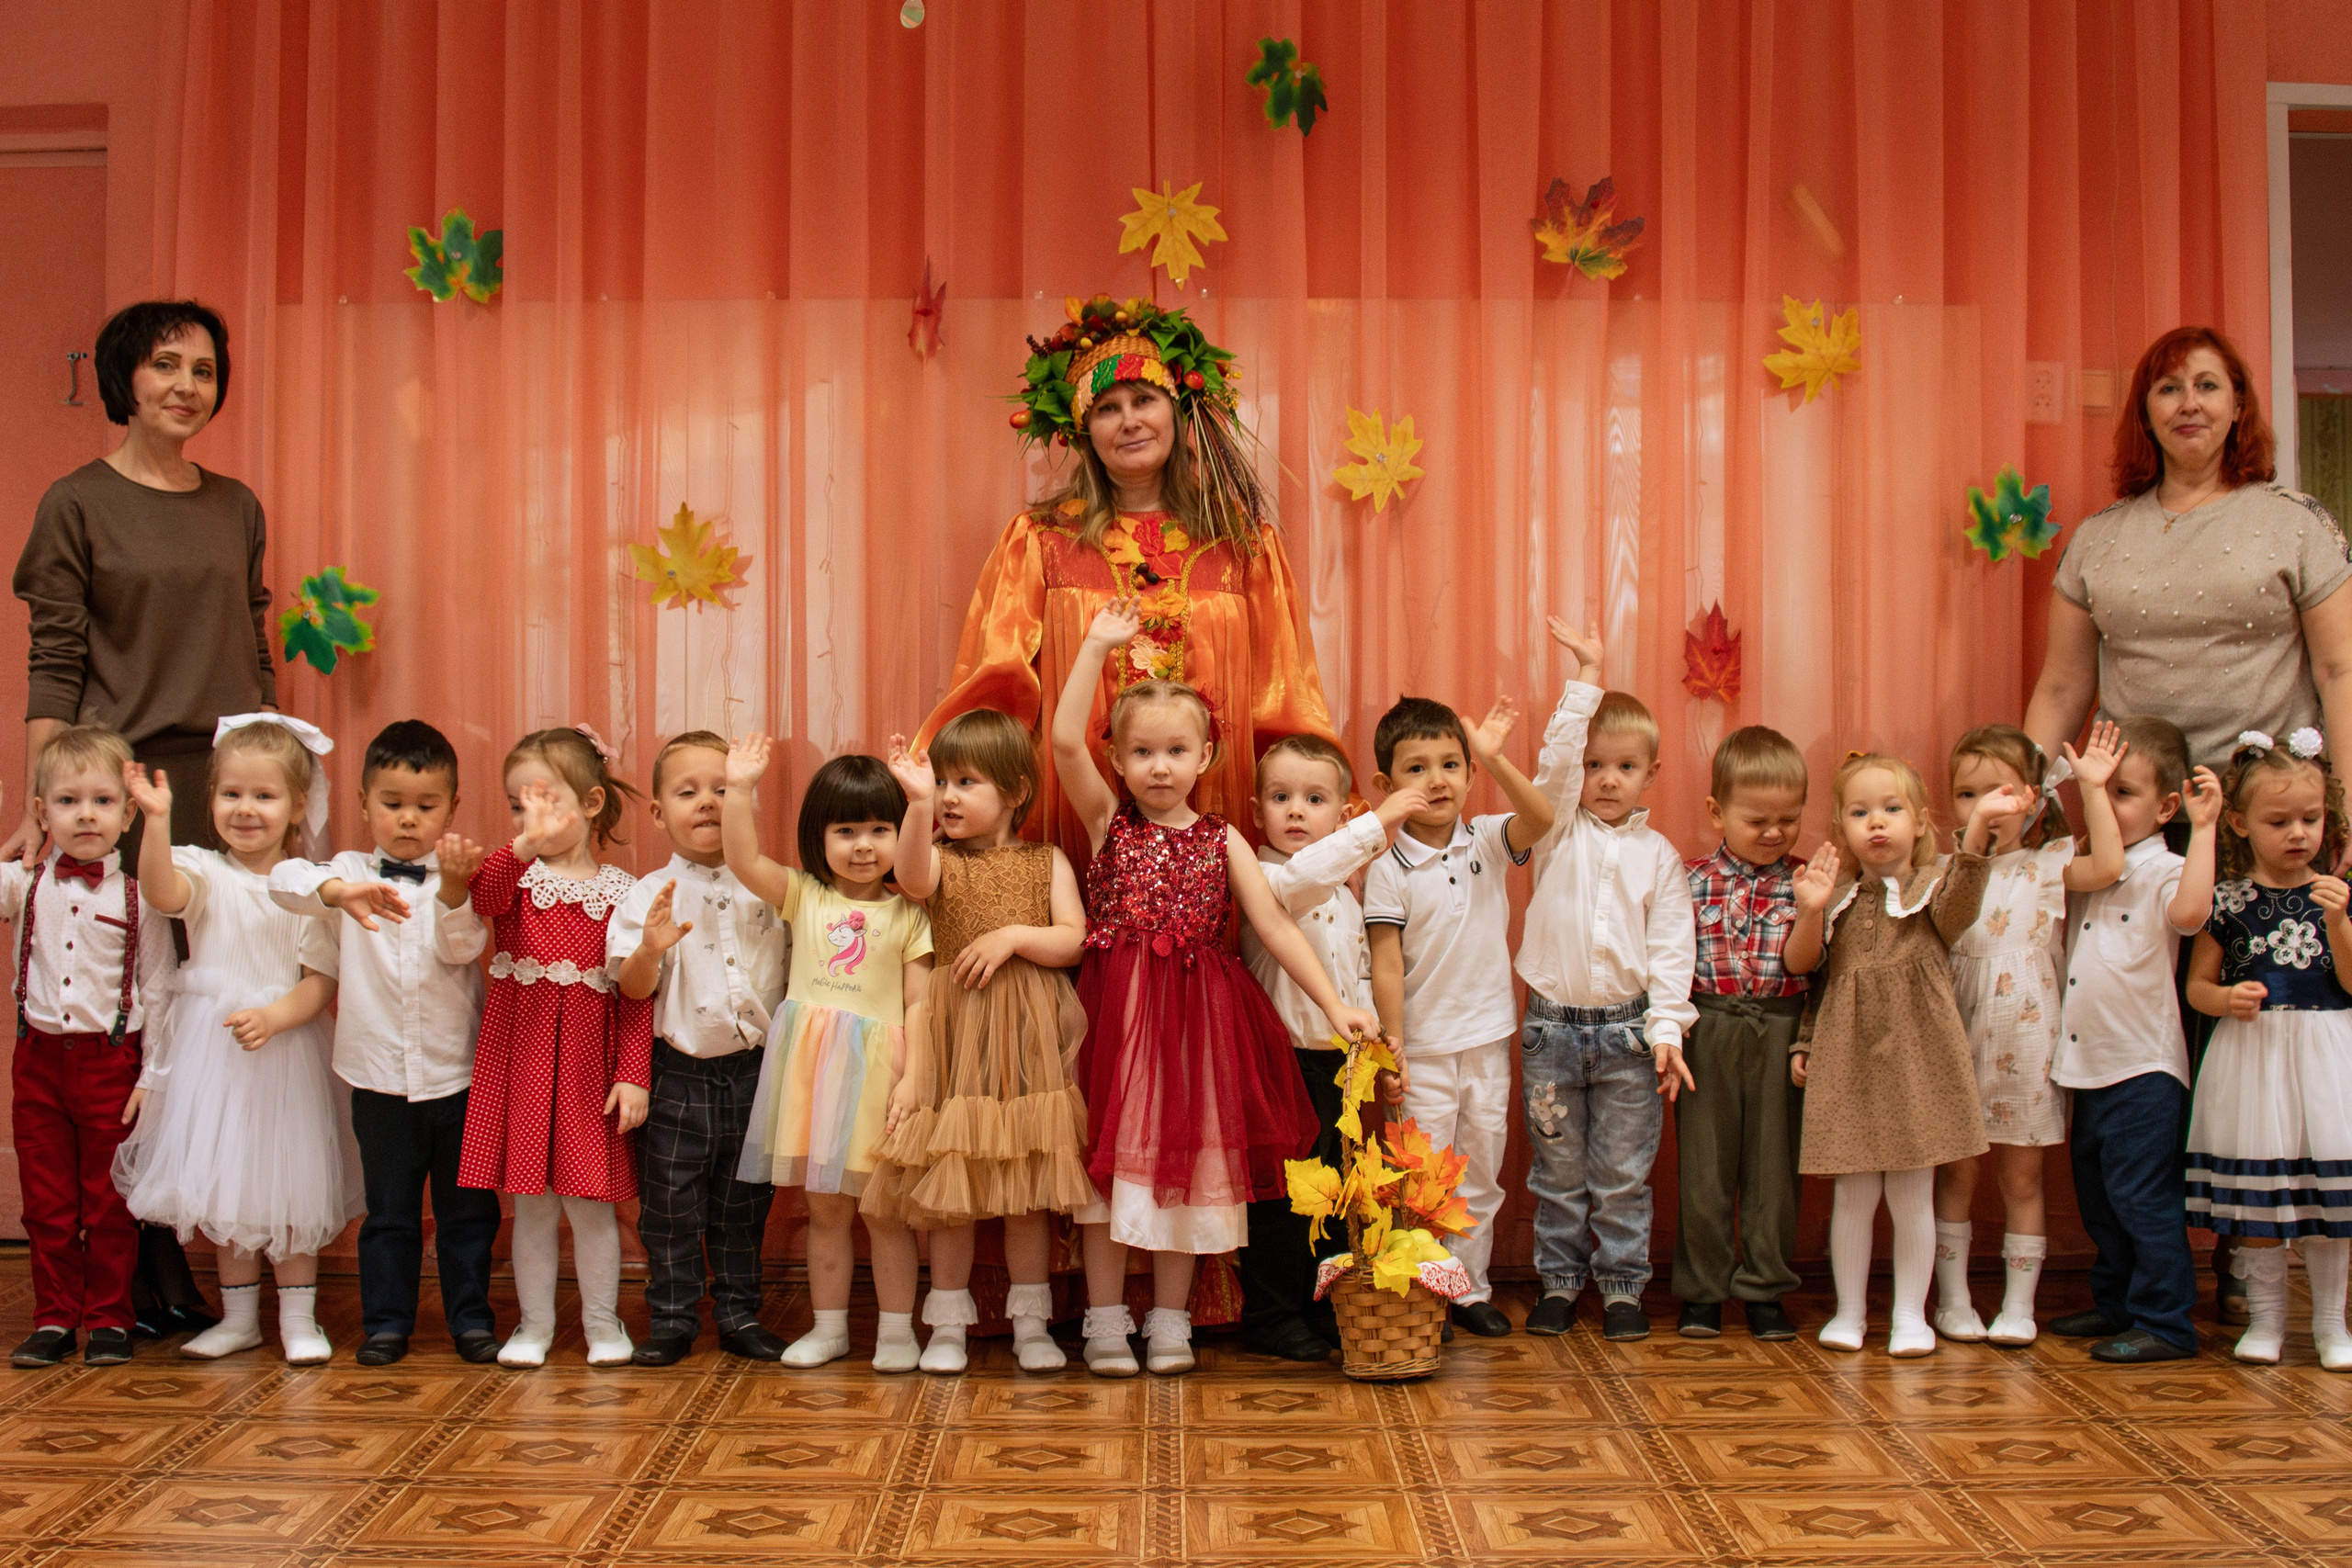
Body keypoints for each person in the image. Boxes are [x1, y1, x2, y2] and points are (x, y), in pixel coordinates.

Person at [13, 299, 279, 1338]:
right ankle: (144, 1263)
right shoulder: (75, 502)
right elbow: (56, 660)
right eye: (165, 365)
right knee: (131, 1024)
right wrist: (47, 801)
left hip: (219, 788)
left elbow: (255, 656)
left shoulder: (236, 504)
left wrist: (271, 785)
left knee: (209, 1013)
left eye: (204, 370)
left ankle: (187, 1238)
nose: (185, 385)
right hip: (119, 790)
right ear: (126, 377)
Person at [1052, 595, 1382, 1378]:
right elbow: (1064, 740)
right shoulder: (1109, 824)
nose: (1158, 766)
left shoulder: (1222, 837)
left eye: (1175, 750)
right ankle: (1105, 1321)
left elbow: (1274, 925)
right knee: (1111, 1168)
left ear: (1206, 757)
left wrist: (1337, 1004)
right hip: (1119, 1022)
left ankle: (1170, 1322)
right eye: (1141, 752)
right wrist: (1096, 647)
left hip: (1201, 1027)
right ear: (1120, 762)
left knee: (1189, 1171)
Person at [922, 297, 1347, 866]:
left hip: (1217, 803)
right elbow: (997, 688)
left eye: (1144, 400)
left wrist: (1326, 826)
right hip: (1080, 802)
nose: (1129, 420)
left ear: (1177, 412)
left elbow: (1284, 695)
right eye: (1106, 408)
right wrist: (947, 794)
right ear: (1082, 429)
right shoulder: (1042, 540)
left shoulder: (1242, 544)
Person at [114, 716, 359, 1364]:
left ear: (297, 806)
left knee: (291, 1186)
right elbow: (163, 892)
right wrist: (156, 821)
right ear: (213, 798)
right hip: (215, 1058)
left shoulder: (309, 885)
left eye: (265, 795)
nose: (246, 809)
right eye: (232, 794)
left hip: (284, 1053)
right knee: (229, 1187)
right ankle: (240, 1316)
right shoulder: (202, 869)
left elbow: (320, 981)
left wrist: (277, 1015)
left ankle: (299, 1318)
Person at [865, 713, 1096, 1374]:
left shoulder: (1044, 860)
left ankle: (1031, 1321)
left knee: (1024, 1189)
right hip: (955, 1036)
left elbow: (1075, 937)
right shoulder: (940, 860)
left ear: (1017, 790)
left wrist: (1014, 937)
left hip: (1028, 1039)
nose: (949, 796)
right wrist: (913, 805)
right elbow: (909, 876)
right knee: (951, 1191)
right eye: (942, 782)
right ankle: (946, 1322)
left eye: (966, 781)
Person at [268, 719, 503, 1367]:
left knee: (467, 1213)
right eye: (392, 804)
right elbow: (282, 883)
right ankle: (387, 1323)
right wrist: (340, 892)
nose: (407, 819)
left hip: (457, 1077)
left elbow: (463, 948)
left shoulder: (463, 875)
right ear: (364, 802)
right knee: (389, 1214)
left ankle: (471, 1320)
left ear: (452, 807)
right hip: (376, 1081)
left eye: (425, 807)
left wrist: (454, 891)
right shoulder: (345, 872)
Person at [1790, 753, 2023, 1355]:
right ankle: (1848, 1312)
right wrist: (1811, 909)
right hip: (1849, 1058)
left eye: (1892, 809)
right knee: (1854, 1192)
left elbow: (1962, 905)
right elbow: (1806, 969)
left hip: (1919, 1059)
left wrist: (1978, 833)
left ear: (1920, 822)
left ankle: (1910, 1316)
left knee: (1912, 1193)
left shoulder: (1931, 891)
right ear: (1841, 825)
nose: (1877, 823)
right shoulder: (1835, 894)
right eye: (1860, 811)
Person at [1513, 623, 1697, 1343]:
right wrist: (1586, 676)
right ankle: (1559, 1281)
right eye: (1596, 765)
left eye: (1625, 767)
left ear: (1651, 773)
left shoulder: (1660, 857)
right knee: (1557, 1173)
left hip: (1629, 1035)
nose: (1608, 780)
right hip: (1552, 1031)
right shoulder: (1555, 825)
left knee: (1622, 1174)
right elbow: (1554, 765)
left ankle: (1622, 1288)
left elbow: (1670, 951)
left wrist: (1666, 1030)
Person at [725, 739, 933, 1371]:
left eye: (880, 828)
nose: (864, 844)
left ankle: (897, 1331)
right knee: (826, 1210)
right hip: (812, 1076)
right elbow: (741, 858)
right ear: (820, 836)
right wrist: (739, 789)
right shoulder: (804, 895)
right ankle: (830, 1327)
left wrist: (914, 1080)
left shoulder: (910, 914)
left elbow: (921, 1005)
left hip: (881, 1076)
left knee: (888, 1211)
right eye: (847, 829)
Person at [1365, 685, 1560, 1337]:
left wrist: (1497, 757)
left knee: (1480, 1170)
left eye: (1451, 764)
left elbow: (1543, 817)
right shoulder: (1388, 866)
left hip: (1486, 1040)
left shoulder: (1484, 839)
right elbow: (1386, 964)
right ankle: (1426, 1293)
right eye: (1416, 768)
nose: (1437, 780)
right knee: (1422, 1180)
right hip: (1420, 1049)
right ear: (1384, 782)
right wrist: (1391, 1050)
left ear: (1471, 774)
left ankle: (1469, 1290)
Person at [458, 728, 653, 1370]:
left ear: (592, 802)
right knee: (531, 1206)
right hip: (521, 1063)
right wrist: (520, 845)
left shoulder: (623, 892)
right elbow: (480, 894)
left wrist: (633, 1074)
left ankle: (602, 1321)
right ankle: (533, 1324)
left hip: (586, 1070)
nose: (530, 815)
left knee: (591, 1205)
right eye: (518, 803)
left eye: (545, 799)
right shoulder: (512, 877)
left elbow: (634, 995)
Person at [1931, 724, 2127, 1347]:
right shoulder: (1946, 867)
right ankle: (1953, 1299)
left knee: (2021, 1178)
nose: (1985, 806)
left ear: (2035, 798)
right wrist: (1974, 838)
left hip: (2028, 1040)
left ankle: (2020, 1304)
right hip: (1957, 1035)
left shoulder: (2049, 862)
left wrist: (2092, 787)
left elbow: (2111, 864)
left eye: (2002, 792)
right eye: (1967, 794)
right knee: (1955, 1175)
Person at [1234, 736, 1424, 1363]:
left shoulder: (1345, 893)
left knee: (1335, 1194)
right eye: (1281, 797)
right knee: (1285, 1202)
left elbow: (1359, 976)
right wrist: (1385, 818)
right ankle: (1270, 1313)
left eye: (1314, 799)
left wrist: (1378, 1039)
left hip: (1337, 1068)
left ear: (1340, 812)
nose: (1295, 811)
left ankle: (1321, 1307)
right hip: (1280, 1063)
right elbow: (1302, 879)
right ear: (1257, 810)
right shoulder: (1267, 878)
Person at [609, 731, 790, 1367]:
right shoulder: (647, 893)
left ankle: (740, 1312)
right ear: (658, 811)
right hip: (678, 1076)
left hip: (755, 1074)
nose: (708, 803)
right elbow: (632, 989)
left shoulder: (771, 887)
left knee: (743, 1203)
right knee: (670, 1205)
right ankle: (673, 1316)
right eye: (689, 792)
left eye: (723, 788)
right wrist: (650, 948)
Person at [2049, 716, 2222, 1363]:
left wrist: (2204, 830)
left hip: (2142, 1069)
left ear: (2166, 806)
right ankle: (2117, 1299)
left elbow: (2192, 915)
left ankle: (2166, 1320)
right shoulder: (2089, 866)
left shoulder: (2167, 870)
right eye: (2098, 788)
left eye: (2122, 790)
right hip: (2087, 1067)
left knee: (2141, 1198)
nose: (2105, 800)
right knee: (2098, 1198)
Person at [4, 727, 177, 1368]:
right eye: (68, 800)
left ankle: (109, 1317)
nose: (85, 814)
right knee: (47, 1201)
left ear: (129, 813)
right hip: (41, 1062)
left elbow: (159, 988)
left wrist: (152, 1075)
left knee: (108, 1203)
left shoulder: (141, 898)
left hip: (113, 1063)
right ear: (42, 810)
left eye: (102, 801)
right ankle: (53, 1317)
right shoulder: (23, 885)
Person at [2183, 729, 2352, 1370]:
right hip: (2253, 1058)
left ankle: (2332, 1323)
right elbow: (2198, 986)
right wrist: (2225, 1001)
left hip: (2326, 1054)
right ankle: (2266, 1319)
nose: (2298, 832)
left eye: (2310, 819)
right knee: (2261, 1190)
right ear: (2242, 823)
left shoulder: (2338, 895)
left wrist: (2339, 924)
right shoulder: (2228, 902)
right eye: (2279, 820)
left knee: (2327, 1195)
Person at [1673, 727, 1821, 1343]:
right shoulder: (1689, 879)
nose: (1774, 831)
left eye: (1788, 819)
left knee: (1772, 1174)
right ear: (1716, 812)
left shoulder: (1805, 880)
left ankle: (1764, 1288)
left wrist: (1812, 909)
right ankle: (1703, 1290)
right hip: (1709, 1025)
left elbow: (1804, 965)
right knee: (1704, 1172)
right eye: (1757, 818)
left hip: (1779, 1026)